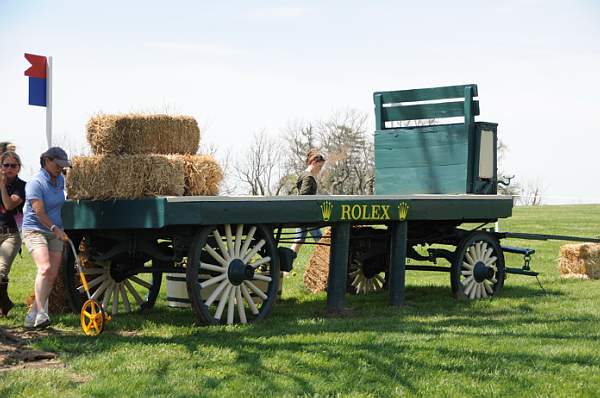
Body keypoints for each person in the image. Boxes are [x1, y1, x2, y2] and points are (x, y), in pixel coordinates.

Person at [21, 147, 70, 328]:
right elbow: (38, 211)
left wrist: (57, 229)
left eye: (63, 166)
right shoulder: (35, 182)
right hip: (35, 229)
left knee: (52, 274)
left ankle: (33, 313)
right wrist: (54, 228)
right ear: (47, 161)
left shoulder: (60, 181)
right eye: (57, 165)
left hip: (55, 230)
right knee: (45, 268)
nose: (60, 168)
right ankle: (42, 313)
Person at [0, 151, 26, 316]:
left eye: (13, 166)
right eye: (6, 165)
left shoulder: (22, 186)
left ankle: (4, 304)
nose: (9, 169)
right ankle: (5, 304)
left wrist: (2, 186)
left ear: (18, 168)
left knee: (1, 271)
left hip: (12, 234)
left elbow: (9, 205)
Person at [290, 149, 326, 254]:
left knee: (299, 241)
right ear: (314, 162)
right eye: (320, 167)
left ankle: (284, 267)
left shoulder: (303, 174)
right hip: (307, 215)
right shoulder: (308, 177)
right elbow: (304, 197)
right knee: (320, 240)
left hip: (301, 214)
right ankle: (327, 263)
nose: (320, 170)